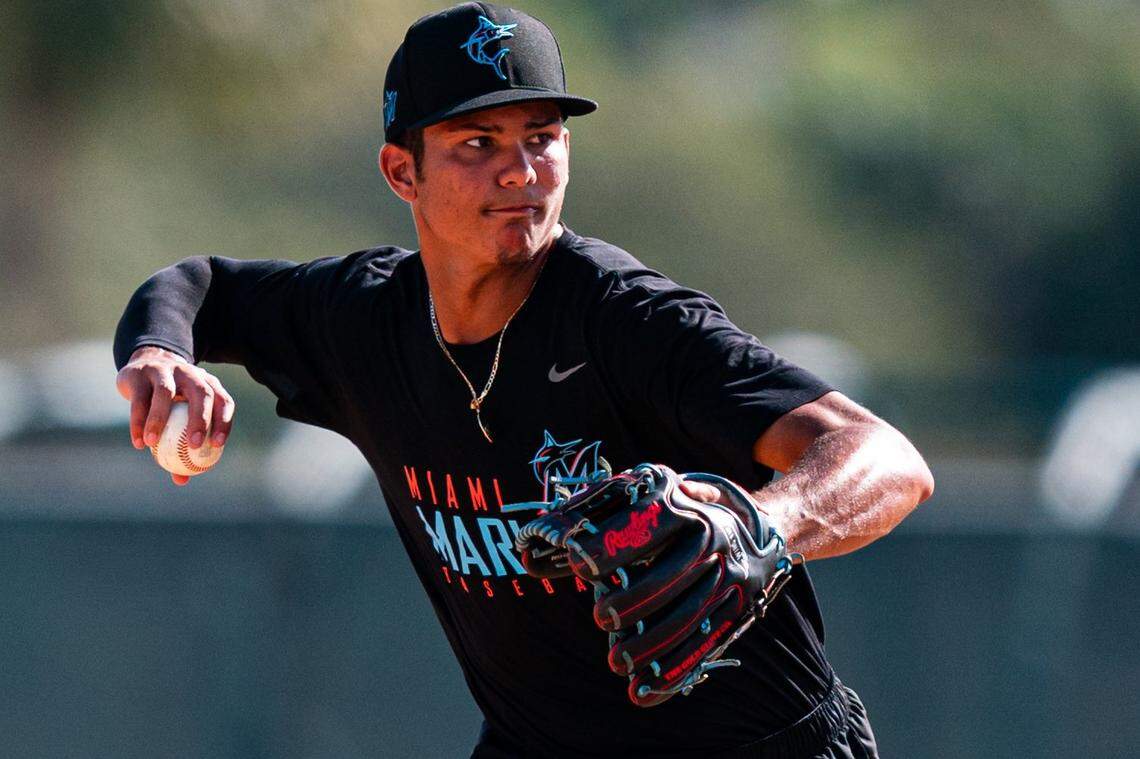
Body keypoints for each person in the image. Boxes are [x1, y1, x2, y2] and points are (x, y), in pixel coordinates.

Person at [113, 3, 933, 757]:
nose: (521, 172)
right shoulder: (363, 322)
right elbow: (201, 285)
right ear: (402, 172)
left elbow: (887, 458)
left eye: (541, 137)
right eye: (479, 143)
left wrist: (763, 526)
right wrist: (159, 353)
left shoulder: (626, 319)